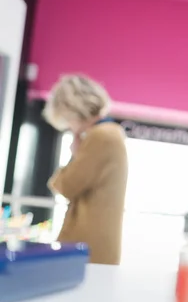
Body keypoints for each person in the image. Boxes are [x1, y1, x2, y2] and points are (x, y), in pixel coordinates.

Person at [44, 74, 128, 265]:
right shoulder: (110, 133)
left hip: (88, 246)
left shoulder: (100, 137)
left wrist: (75, 153)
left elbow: (66, 186)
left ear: (71, 109)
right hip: (95, 244)